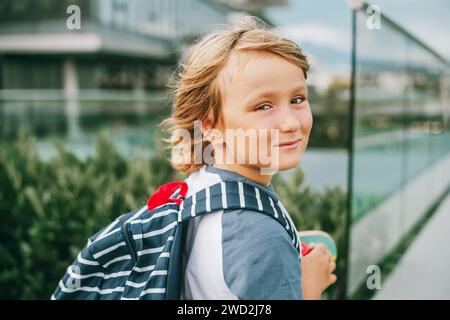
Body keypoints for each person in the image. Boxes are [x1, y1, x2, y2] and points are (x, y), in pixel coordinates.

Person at [161, 16, 336, 300]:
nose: (290, 122)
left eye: (297, 99)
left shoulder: (200, 186)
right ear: (210, 126)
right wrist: (309, 286)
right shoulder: (261, 239)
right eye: (263, 106)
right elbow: (252, 246)